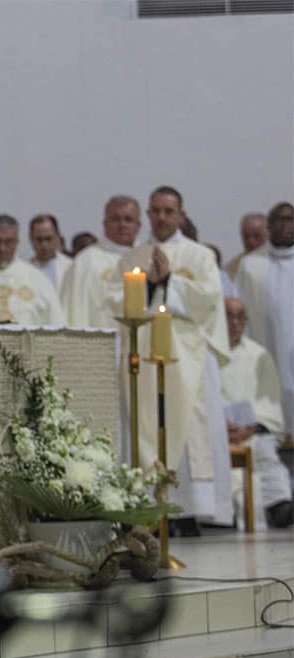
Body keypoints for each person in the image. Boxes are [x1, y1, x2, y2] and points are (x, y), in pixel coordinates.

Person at [112, 186, 231, 529]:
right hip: (143, 356)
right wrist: (149, 286)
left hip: (188, 358)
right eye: (156, 211)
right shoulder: (132, 258)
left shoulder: (199, 255)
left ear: (181, 215)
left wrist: (170, 282)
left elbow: (209, 300)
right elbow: (113, 302)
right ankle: (147, 509)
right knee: (145, 423)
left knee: (191, 425)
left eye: (169, 211)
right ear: (148, 214)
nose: (162, 218)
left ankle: (187, 511)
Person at [219, 297, 292, 528]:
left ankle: (280, 507)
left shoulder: (259, 355)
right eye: (228, 316)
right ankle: (224, 514)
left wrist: (250, 427)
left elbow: (270, 407)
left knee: (265, 453)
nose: (234, 323)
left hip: (252, 433)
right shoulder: (207, 354)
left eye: (240, 317)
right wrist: (221, 427)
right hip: (218, 435)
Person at [233, 202, 294, 441]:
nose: (283, 226)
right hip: (265, 354)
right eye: (277, 221)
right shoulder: (251, 265)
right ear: (268, 227)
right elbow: (239, 312)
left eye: (289, 220)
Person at [60, 195, 142, 329]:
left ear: (138, 226)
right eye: (115, 219)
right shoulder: (86, 262)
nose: (122, 225)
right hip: (100, 343)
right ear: (105, 224)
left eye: (128, 220)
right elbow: (72, 310)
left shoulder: (149, 258)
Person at [0, 215, 65, 326]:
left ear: (17, 242)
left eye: (9, 242)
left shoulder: (37, 280)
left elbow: (56, 325)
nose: (2, 248)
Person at [28, 213, 72, 290]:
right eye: (39, 240)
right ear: (31, 239)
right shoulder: (25, 270)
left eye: (48, 239)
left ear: (58, 237)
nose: (44, 245)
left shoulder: (70, 267)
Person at [224, 212, 268, 279]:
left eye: (257, 236)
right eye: (246, 237)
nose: (251, 241)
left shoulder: (281, 261)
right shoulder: (233, 268)